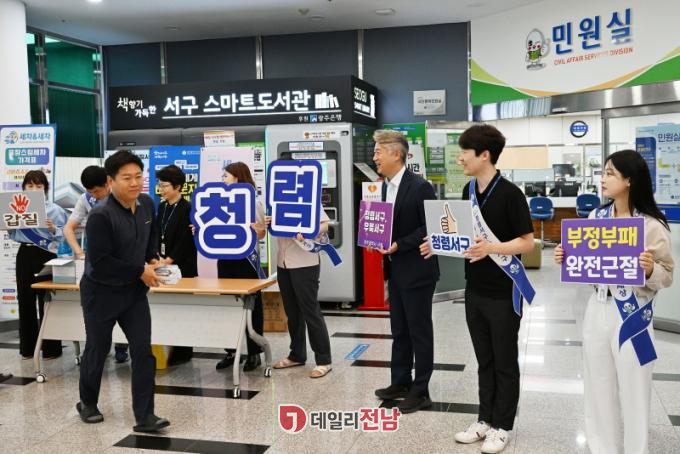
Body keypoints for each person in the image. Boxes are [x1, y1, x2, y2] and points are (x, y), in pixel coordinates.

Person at [421, 124, 535, 452]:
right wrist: (436, 243)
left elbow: (527, 242)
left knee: (504, 361)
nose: (460, 158)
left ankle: (503, 425)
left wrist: (492, 248)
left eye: (464, 153)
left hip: (504, 291)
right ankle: (485, 418)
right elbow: (464, 238)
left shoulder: (511, 194)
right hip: (475, 290)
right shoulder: (468, 191)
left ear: (484, 155)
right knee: (483, 359)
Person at [555, 149, 674, 454]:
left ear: (629, 180)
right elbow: (588, 267)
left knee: (635, 391)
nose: (603, 179)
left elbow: (667, 274)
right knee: (598, 387)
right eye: (603, 172)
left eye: (610, 173)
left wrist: (650, 269)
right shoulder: (596, 218)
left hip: (633, 315)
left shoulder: (651, 225)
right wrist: (568, 257)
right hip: (597, 308)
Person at [76, 150, 169, 433]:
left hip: (133, 293)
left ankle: (145, 416)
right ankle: (87, 403)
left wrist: (153, 258)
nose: (134, 183)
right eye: (126, 178)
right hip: (100, 292)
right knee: (97, 348)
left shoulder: (147, 203)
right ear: (110, 181)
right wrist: (140, 270)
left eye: (138, 176)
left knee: (143, 351)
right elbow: (101, 262)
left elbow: (150, 237)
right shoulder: (100, 215)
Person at [370, 130, 439, 414]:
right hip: (395, 270)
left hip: (418, 270)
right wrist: (377, 238)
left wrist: (400, 244)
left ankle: (421, 391)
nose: (374, 157)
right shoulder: (384, 187)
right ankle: (400, 382)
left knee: (419, 331)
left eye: (378, 152)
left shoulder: (420, 187)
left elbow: (430, 226)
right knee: (399, 330)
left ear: (397, 154)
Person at [267, 161, 333, 379]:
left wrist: (309, 231)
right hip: (283, 262)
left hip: (305, 263)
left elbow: (325, 224)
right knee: (292, 312)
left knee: (310, 310)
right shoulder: (276, 201)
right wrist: (269, 221)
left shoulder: (307, 198)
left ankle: (324, 359)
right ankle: (297, 354)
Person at [63, 165, 129, 364]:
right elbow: (68, 228)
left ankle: (121, 346)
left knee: (122, 306)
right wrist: (79, 252)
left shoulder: (124, 197)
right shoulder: (86, 199)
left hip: (121, 261)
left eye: (96, 191)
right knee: (99, 308)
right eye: (90, 192)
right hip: (97, 263)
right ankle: (97, 348)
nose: (94, 195)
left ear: (108, 183)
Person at [9, 170, 68, 360]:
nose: (34, 189)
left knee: (47, 301)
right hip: (25, 254)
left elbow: (66, 234)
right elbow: (12, 234)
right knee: (25, 299)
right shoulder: (15, 207)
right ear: (24, 188)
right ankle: (27, 348)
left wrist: (53, 228)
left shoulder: (55, 210)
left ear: (45, 189)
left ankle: (52, 349)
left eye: (39, 186)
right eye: (30, 185)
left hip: (46, 254)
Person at [214, 162, 267, 372]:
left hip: (247, 261)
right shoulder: (220, 201)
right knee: (227, 305)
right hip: (225, 259)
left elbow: (262, 233)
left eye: (226, 176)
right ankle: (231, 351)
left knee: (252, 306)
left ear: (237, 178)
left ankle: (254, 352)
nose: (223, 180)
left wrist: (255, 230)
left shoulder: (253, 202)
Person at [155, 164, 197, 365]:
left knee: (183, 308)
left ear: (178, 186)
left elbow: (185, 240)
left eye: (165, 186)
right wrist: (158, 257)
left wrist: (170, 259)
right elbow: (158, 233)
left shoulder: (188, 208)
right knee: (168, 307)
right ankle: (170, 347)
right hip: (163, 264)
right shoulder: (162, 207)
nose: (161, 189)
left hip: (183, 266)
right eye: (160, 185)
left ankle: (184, 351)